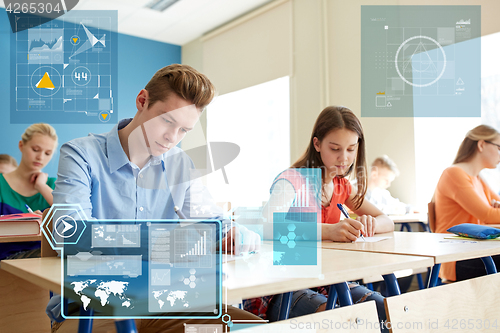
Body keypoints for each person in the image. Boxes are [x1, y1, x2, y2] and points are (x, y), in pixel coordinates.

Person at [46, 64, 262, 332]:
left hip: (166, 300)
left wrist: (235, 234)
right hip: (93, 307)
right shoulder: (81, 154)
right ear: (142, 101)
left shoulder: (179, 164)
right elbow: (71, 235)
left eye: (184, 130)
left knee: (254, 328)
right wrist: (168, 242)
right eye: (167, 121)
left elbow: (216, 224)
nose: (172, 138)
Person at [244, 106, 394, 331]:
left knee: (383, 310)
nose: (344, 158)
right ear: (317, 144)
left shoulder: (342, 185)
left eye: (351, 149)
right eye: (335, 149)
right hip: (281, 288)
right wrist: (330, 230)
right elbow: (266, 226)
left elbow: (386, 220)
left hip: (327, 282)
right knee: (340, 321)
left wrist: (371, 222)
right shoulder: (292, 180)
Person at [435, 124, 500, 282]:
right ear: (481, 144)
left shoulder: (478, 179)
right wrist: (493, 212)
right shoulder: (454, 174)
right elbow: (488, 215)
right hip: (458, 256)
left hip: (477, 250)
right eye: (499, 147)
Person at [0, 123, 57, 260]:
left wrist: (41, 186)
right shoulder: (2, 184)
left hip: (46, 257)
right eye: (36, 149)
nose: (40, 157)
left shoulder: (52, 185)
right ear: (21, 146)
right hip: (8, 258)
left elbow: (73, 217)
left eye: (48, 153)